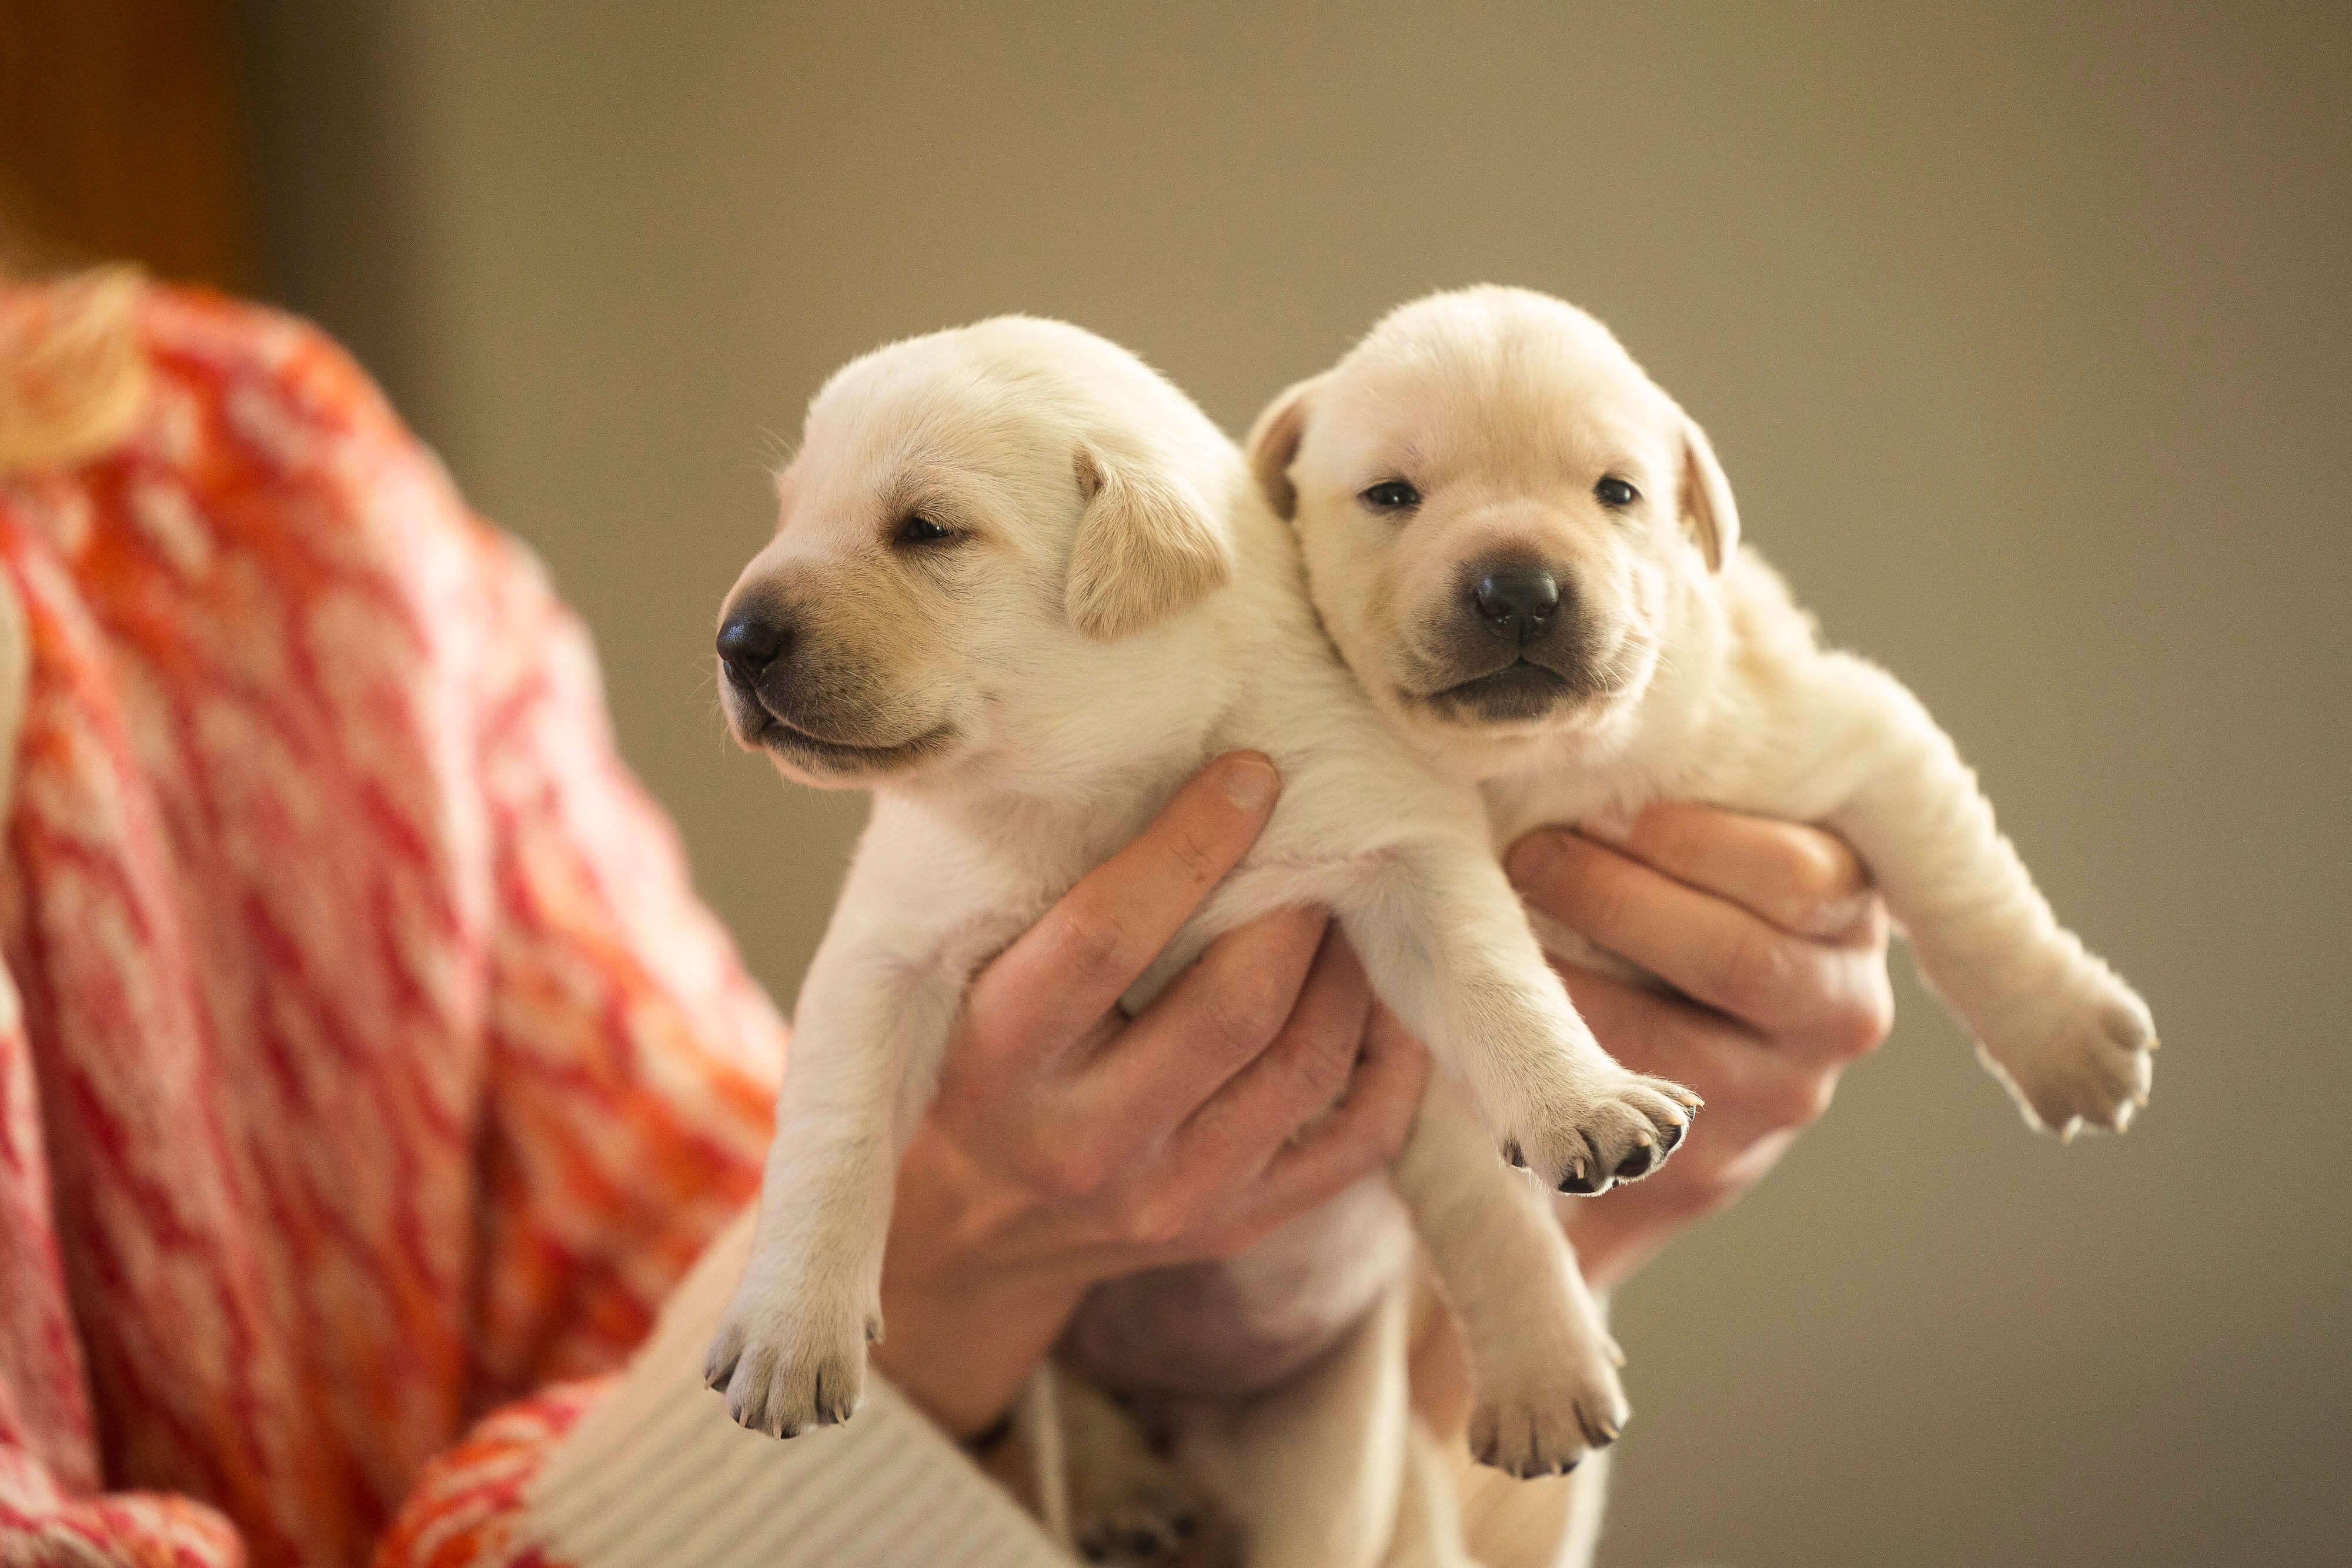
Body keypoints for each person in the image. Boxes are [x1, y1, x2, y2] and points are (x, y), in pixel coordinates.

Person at [0, 271, 1891, 1568]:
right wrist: (937, 1273)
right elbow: (802, 1267)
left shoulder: (256, 472)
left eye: (920, 535)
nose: (749, 609)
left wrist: (1566, 1203)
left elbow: (687, 1245)